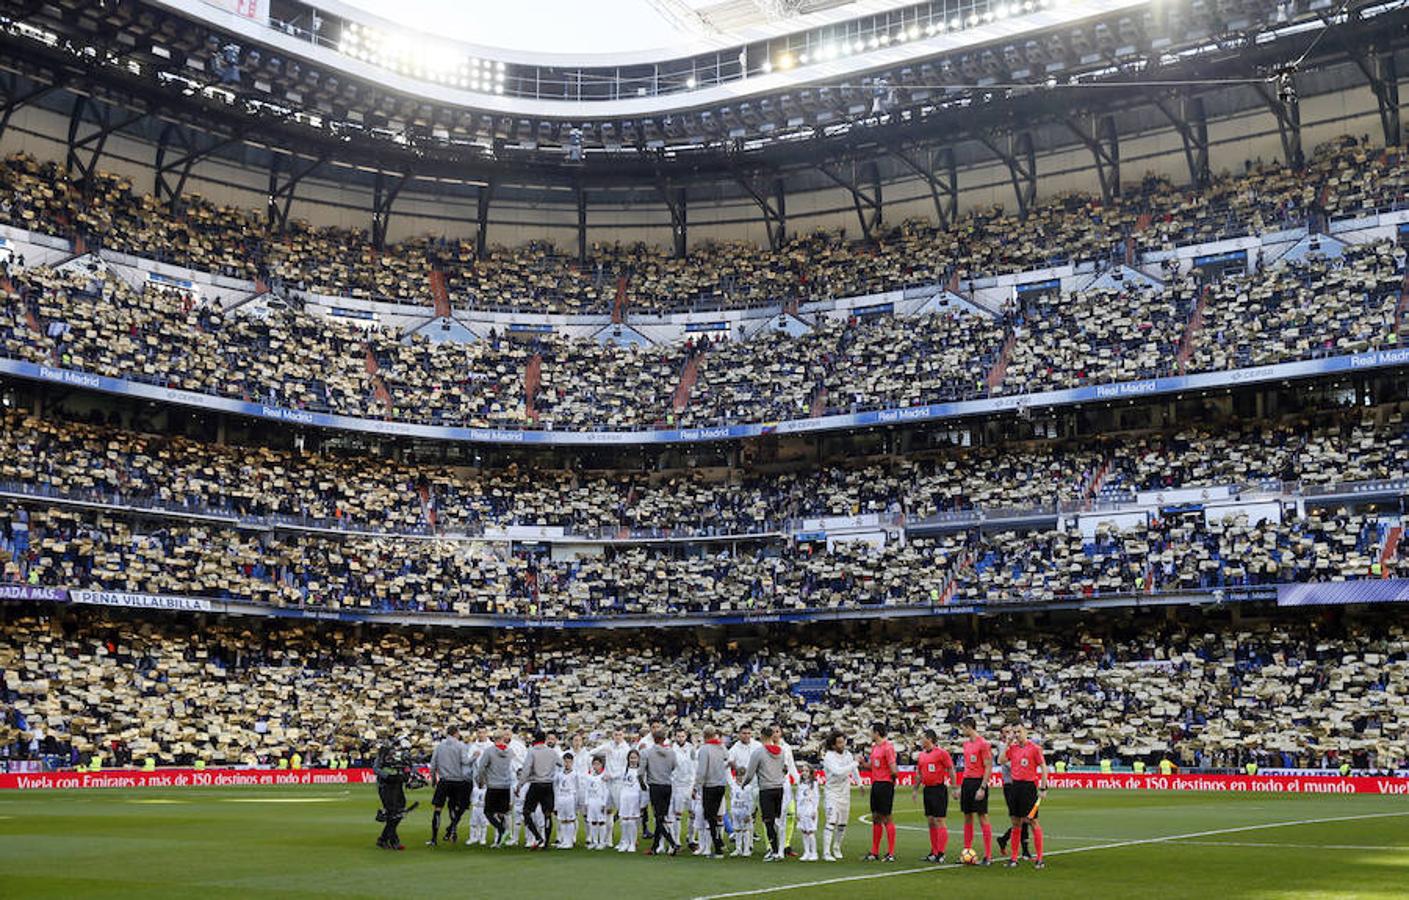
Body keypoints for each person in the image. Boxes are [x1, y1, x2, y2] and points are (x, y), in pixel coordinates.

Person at [1001, 723, 1047, 869]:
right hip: (1015, 787)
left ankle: (1039, 858)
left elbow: (1043, 767)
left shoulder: (1034, 748)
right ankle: (1014, 858)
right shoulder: (1012, 748)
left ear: (1026, 732)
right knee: (1016, 823)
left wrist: (1043, 787)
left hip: (1029, 787)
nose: (1017, 734)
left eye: (1019, 731)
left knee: (1032, 821)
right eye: (1014, 732)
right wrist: (1007, 743)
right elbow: (1001, 760)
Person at [742, 724, 788, 861]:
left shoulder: (758, 752)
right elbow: (783, 769)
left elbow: (750, 773)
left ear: (762, 736)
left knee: (768, 821)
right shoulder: (781, 751)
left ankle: (774, 851)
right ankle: (780, 850)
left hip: (766, 789)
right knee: (778, 821)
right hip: (779, 788)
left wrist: (744, 783)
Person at [913, 727, 957, 863]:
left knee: (939, 820)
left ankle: (941, 853)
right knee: (931, 821)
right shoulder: (921, 755)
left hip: (939, 789)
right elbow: (919, 774)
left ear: (930, 739)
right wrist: (915, 789)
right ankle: (934, 851)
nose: (921, 740)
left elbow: (950, 769)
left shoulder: (942, 753)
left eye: (923, 738)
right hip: (928, 790)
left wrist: (954, 787)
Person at [427, 724, 472, 847]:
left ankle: (434, 839)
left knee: (437, 809)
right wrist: (474, 757)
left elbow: (433, 764)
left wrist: (433, 779)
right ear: (456, 733)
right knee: (454, 807)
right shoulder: (460, 745)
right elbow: (465, 761)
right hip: (458, 781)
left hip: (444, 780)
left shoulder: (440, 746)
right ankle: (453, 831)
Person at [959, 717, 994, 865]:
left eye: (963, 728)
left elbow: (988, 766)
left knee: (982, 817)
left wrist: (982, 787)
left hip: (978, 782)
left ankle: (988, 855)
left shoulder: (983, 744)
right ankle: (966, 851)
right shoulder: (965, 744)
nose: (962, 731)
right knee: (967, 816)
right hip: (967, 782)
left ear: (969, 727)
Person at [821, 730, 860, 862]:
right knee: (831, 821)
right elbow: (838, 771)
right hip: (832, 792)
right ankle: (826, 852)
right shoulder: (829, 757)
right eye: (839, 742)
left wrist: (859, 783)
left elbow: (853, 770)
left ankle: (837, 847)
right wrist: (855, 763)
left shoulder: (848, 754)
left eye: (843, 741)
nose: (842, 744)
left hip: (845, 793)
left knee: (842, 824)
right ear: (833, 745)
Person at [863, 722, 898, 862]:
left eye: (872, 732)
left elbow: (894, 768)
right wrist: (863, 764)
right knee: (876, 817)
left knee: (887, 817)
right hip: (876, 784)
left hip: (885, 784)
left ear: (877, 733)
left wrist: (891, 781)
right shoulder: (875, 748)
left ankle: (890, 853)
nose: (870, 734)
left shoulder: (888, 748)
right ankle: (874, 852)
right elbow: (873, 767)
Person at [641, 726, 679, 856]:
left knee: (658, 817)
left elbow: (640, 772)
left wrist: (642, 784)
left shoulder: (647, 752)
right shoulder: (671, 753)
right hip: (667, 785)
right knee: (662, 816)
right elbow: (674, 766)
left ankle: (672, 843)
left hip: (655, 785)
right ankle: (655, 846)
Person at [995, 725, 1031, 860]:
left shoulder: (1017, 746)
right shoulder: (1002, 746)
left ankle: (1005, 839)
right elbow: (1006, 763)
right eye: (1006, 732)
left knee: (1024, 818)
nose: (1010, 734)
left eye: (1011, 731)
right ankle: (1024, 850)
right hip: (1010, 785)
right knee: (1020, 819)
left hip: (1020, 785)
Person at [475, 728, 516, 847]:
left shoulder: (489, 751)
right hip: (506, 785)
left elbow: (481, 767)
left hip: (493, 785)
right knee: (502, 813)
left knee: (488, 812)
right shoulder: (509, 751)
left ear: (493, 739)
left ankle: (501, 830)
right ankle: (499, 840)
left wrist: (481, 780)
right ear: (503, 738)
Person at [519, 728, 559, 849]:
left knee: (526, 812)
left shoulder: (532, 751)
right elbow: (561, 763)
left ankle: (537, 836)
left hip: (536, 784)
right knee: (547, 814)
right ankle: (545, 842)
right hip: (548, 785)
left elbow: (526, 769)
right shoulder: (552, 752)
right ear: (545, 739)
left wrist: (520, 784)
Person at [590, 729, 632, 843]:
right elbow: (592, 752)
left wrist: (612, 776)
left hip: (618, 783)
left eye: (620, 734)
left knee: (622, 811)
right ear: (613, 735)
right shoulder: (609, 745)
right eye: (616, 734)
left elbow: (625, 769)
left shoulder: (626, 749)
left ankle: (625, 840)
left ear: (623, 735)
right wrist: (604, 748)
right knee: (606, 810)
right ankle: (607, 839)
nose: (618, 737)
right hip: (606, 783)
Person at [694, 725, 729, 858]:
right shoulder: (721, 747)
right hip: (720, 784)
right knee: (714, 815)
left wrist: (697, 785)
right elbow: (727, 756)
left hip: (709, 785)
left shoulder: (704, 749)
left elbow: (702, 770)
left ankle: (718, 846)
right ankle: (718, 842)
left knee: (710, 816)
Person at [373, 737, 413, 851]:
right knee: (393, 814)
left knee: (398, 813)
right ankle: (390, 840)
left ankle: (385, 839)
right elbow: (376, 769)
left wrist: (406, 775)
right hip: (386, 787)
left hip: (397, 785)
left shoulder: (399, 756)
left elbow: (406, 767)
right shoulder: (382, 756)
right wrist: (388, 776)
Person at [670, 727, 697, 851]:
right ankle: (676, 840)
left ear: (686, 736)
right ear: (675, 737)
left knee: (693, 814)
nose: (680, 738)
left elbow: (694, 767)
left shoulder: (691, 748)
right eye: (678, 736)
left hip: (690, 785)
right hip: (678, 786)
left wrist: (694, 785)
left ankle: (691, 839)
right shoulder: (671, 750)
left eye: (682, 736)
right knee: (678, 815)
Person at [616, 749, 643, 852]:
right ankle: (625, 842)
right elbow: (621, 785)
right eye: (631, 758)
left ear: (638, 759)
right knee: (624, 821)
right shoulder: (624, 770)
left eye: (635, 758)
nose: (633, 760)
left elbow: (643, 787)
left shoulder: (640, 771)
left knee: (632, 821)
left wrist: (642, 802)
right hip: (625, 797)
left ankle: (632, 843)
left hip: (635, 798)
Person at [554, 751, 582, 849]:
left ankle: (569, 841)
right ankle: (564, 840)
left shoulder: (575, 774)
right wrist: (556, 803)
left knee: (570, 820)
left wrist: (577, 803)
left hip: (570, 797)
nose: (567, 764)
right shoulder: (559, 774)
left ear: (572, 762)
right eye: (565, 762)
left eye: (569, 762)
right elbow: (556, 787)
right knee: (562, 820)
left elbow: (578, 789)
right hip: (561, 797)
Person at [583, 757, 610, 849]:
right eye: (594, 764)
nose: (596, 766)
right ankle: (594, 841)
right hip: (591, 801)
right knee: (593, 822)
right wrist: (586, 802)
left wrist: (604, 803)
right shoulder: (589, 776)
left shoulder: (603, 776)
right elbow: (587, 790)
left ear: (602, 765)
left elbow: (606, 791)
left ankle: (602, 842)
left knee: (601, 821)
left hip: (600, 801)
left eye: (598, 764)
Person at [795, 762, 820, 861]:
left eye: (806, 771)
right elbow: (798, 797)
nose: (804, 773)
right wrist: (798, 811)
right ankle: (806, 852)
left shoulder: (814, 784)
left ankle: (814, 852)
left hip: (810, 808)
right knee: (804, 831)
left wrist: (814, 810)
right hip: (802, 809)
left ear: (810, 772)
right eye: (803, 771)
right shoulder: (800, 783)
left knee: (810, 832)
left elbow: (816, 797)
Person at [728, 764, 755, 857]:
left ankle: (746, 849)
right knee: (737, 830)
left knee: (746, 830)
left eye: (742, 775)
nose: (739, 777)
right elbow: (732, 798)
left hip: (744, 811)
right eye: (738, 775)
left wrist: (748, 814)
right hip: (736, 810)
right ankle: (738, 848)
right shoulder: (733, 785)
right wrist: (732, 810)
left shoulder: (748, 787)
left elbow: (750, 801)